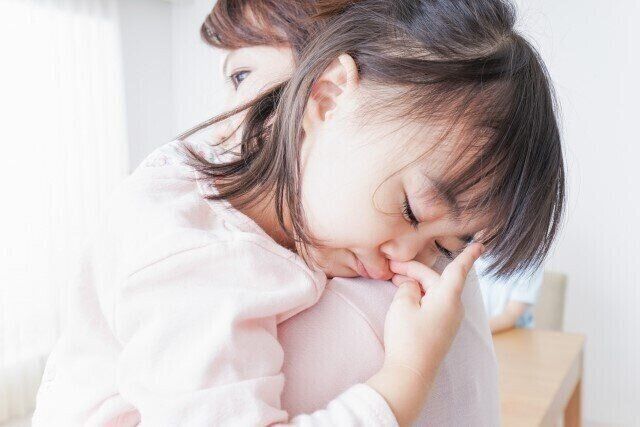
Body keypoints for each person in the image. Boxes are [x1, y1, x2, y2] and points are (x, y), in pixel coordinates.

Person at [33, 0, 565, 425]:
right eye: (410, 209)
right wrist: (407, 376)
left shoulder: (303, 219)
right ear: (328, 98)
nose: (402, 261)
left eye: (444, 249)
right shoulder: (191, 252)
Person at [203, 1, 500, 424]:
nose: (219, 130)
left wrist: (409, 373)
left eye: (241, 75)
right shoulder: (198, 248)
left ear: (328, 93)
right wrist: (408, 375)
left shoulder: (389, 285)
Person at [476, 258, 545, 333]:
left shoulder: (531, 261)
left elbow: (512, 314)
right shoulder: (472, 256)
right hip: (482, 332)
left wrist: (476, 330)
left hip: (514, 333)